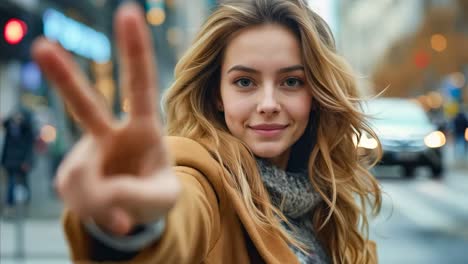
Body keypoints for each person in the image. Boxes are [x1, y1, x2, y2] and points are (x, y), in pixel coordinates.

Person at [31, 0, 382, 263]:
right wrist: (136, 226)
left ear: (316, 94)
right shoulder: (202, 176)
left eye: (292, 81)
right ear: (217, 94)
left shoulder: (324, 197)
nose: (268, 103)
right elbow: (180, 221)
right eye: (245, 82)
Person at [1, 107, 35, 210]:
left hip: (22, 161)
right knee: (11, 182)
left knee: (23, 183)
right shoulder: (10, 128)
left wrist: (27, 161)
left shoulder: (26, 130)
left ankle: (24, 203)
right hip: (10, 161)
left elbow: (29, 147)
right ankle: (10, 204)